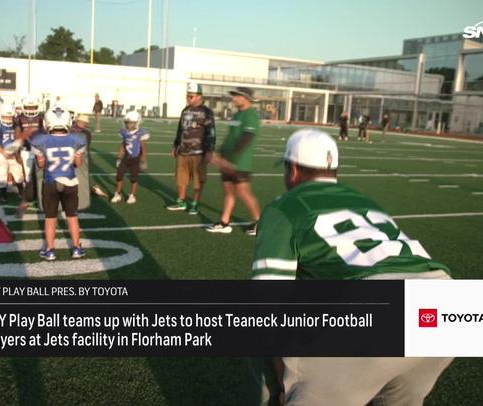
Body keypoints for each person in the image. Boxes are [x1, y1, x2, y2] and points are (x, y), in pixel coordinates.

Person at [251, 128, 453, 405]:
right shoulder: (366, 201)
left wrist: (287, 384)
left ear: (293, 170)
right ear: (333, 170)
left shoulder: (284, 207)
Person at [31, 109, 87, 261]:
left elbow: (41, 164)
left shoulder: (41, 140)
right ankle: (76, 248)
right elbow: (78, 163)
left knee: (50, 218)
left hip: (51, 182)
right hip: (70, 181)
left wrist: (41, 158)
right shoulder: (77, 139)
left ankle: (50, 250)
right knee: (72, 217)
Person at [207, 87, 260, 235]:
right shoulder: (237, 115)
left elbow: (246, 139)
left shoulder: (251, 116)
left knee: (243, 193)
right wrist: (219, 155)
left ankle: (259, 222)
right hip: (227, 160)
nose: (233, 99)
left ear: (245, 98)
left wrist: (233, 160)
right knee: (228, 191)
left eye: (236, 96)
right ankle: (224, 222)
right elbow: (230, 138)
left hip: (240, 163)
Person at [167, 82, 216, 215]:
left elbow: (211, 132)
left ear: (199, 96)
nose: (189, 99)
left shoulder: (206, 112)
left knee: (197, 180)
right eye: (188, 96)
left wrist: (209, 151)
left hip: (198, 152)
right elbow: (180, 130)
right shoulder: (185, 110)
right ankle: (181, 201)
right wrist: (175, 145)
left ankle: (194, 204)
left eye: (191, 96)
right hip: (183, 151)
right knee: (181, 179)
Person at [15, 96, 45, 215]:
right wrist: (17, 151)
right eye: (29, 107)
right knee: (28, 176)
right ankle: (29, 198)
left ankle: (39, 197)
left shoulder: (41, 118)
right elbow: (17, 136)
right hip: (26, 150)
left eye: (33, 107)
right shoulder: (19, 119)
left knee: (40, 175)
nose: (32, 109)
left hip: (39, 150)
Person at [111, 111, 150, 204]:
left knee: (133, 178)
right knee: (119, 175)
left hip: (135, 158)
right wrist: (119, 156)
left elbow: (143, 148)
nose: (128, 125)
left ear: (137, 122)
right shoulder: (124, 132)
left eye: (131, 122)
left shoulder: (140, 133)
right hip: (126, 157)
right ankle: (118, 193)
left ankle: (132, 195)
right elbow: (123, 144)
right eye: (127, 122)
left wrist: (143, 160)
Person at [0, 104, 24, 202]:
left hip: (13, 152)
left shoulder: (15, 124)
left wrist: (16, 152)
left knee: (18, 172)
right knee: (2, 173)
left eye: (10, 116)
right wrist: (4, 152)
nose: (8, 118)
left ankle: (22, 192)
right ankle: (3, 195)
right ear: (1, 115)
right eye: (6, 116)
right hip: (1, 152)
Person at [71, 114, 108, 198]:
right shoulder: (72, 130)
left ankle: (94, 189)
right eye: (80, 122)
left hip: (81, 156)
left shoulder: (86, 133)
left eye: (83, 122)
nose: (81, 123)